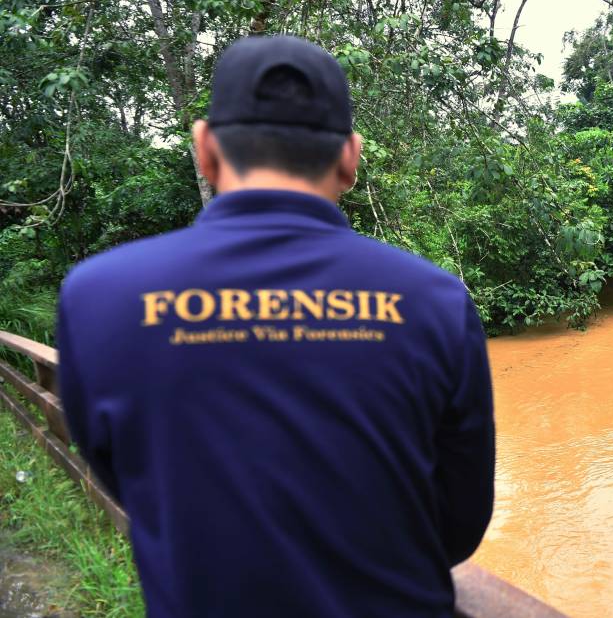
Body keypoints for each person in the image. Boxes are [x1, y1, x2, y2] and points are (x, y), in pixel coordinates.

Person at [56, 35, 495, 618]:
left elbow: (125, 475)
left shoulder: (96, 296)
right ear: (350, 157)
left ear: (205, 150)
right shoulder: (436, 300)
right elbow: (459, 521)